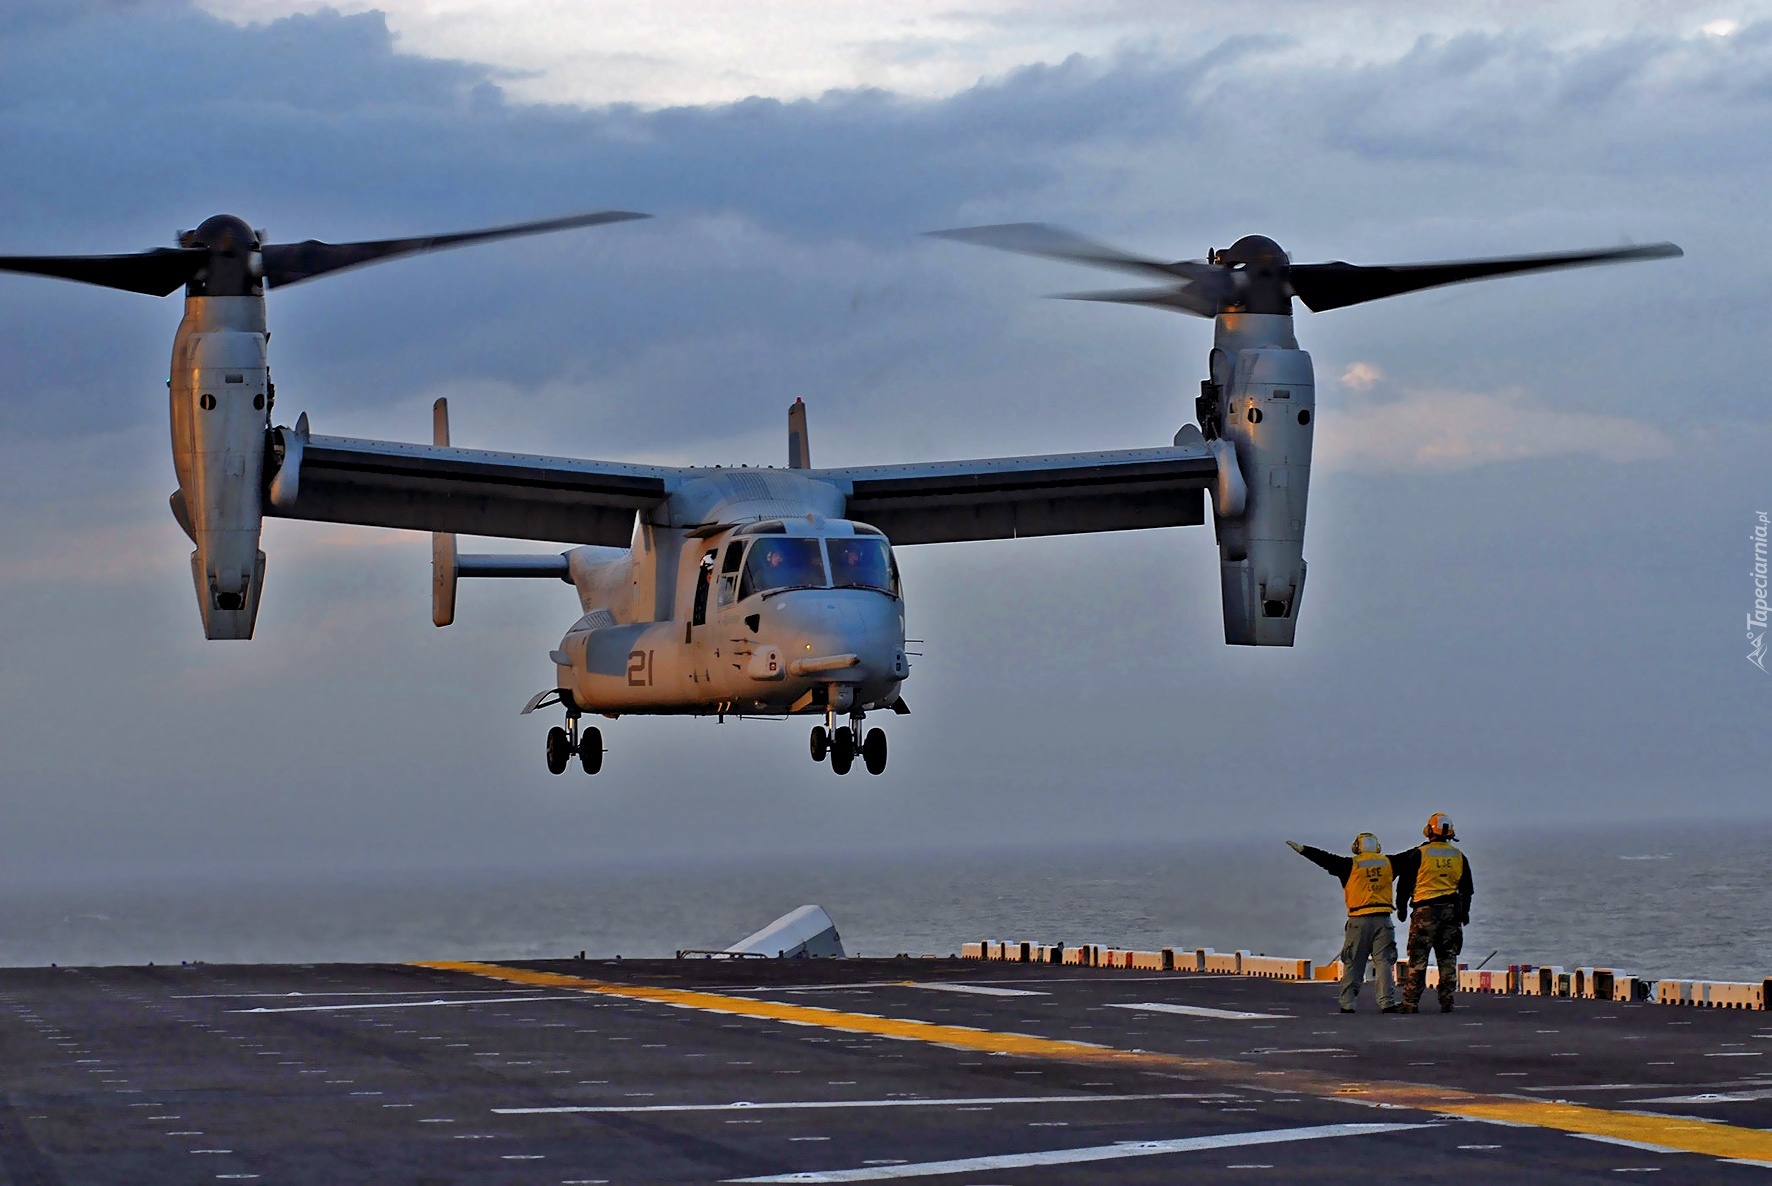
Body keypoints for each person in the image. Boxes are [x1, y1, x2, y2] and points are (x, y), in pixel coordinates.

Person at [1286, 834, 1401, 1014]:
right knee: (1384, 962)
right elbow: (1412, 856)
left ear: (1357, 847)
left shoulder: (1350, 865)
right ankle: (1387, 1002)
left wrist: (1304, 850)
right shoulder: (1389, 863)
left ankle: (1348, 1004)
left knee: (1353, 962)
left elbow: (1325, 859)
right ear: (1378, 847)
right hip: (1383, 919)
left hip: (1358, 921)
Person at [1390, 812, 1474, 1014]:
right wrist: (1464, 912)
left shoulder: (1419, 854)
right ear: (1450, 833)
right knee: (1448, 958)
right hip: (1451, 912)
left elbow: (1405, 884)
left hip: (1424, 912)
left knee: (1418, 960)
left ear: (1429, 831)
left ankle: (1410, 1002)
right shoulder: (1459, 856)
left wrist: (1401, 907)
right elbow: (1467, 889)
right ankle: (1447, 1000)